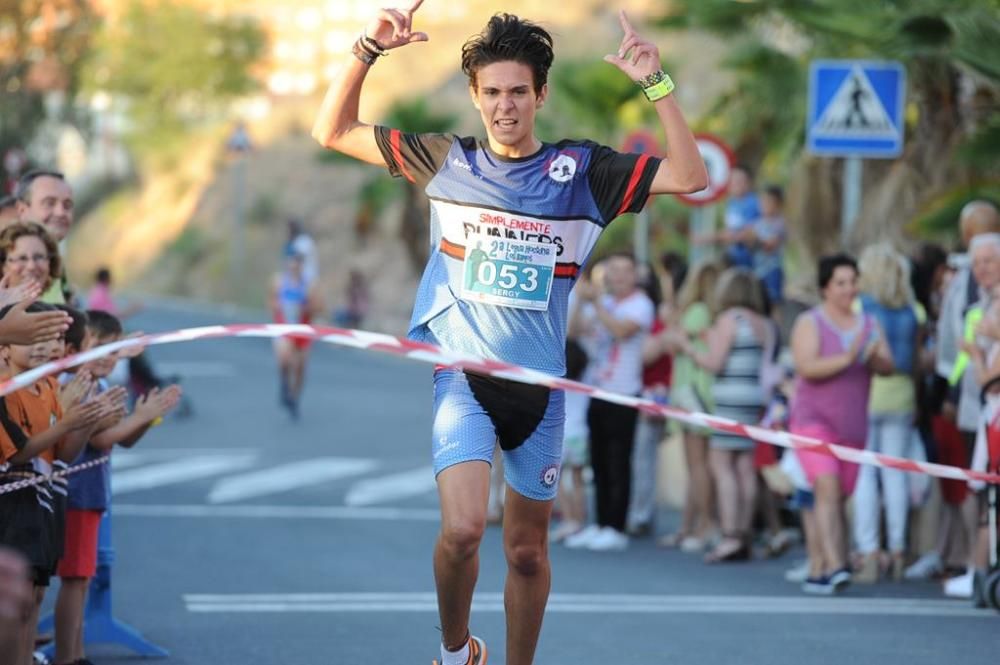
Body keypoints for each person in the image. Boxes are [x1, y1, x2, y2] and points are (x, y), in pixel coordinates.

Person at [312, 4, 706, 663]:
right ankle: (454, 649)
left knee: (526, 551)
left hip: (540, 389)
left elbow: (692, 178)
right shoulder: (446, 160)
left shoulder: (585, 172)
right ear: (475, 96)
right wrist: (367, 49)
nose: (504, 106)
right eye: (491, 93)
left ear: (540, 95)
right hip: (464, 377)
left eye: (518, 92)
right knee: (463, 530)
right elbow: (333, 130)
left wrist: (656, 85)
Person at [53, 310, 179, 665]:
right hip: (75, 494)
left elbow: (119, 442)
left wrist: (146, 417)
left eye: (114, 350)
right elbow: (102, 436)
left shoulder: (102, 386)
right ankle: (68, 656)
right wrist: (139, 418)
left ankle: (76, 653)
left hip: (91, 492)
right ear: (78, 349)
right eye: (101, 349)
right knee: (74, 579)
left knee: (83, 578)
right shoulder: (74, 385)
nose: (109, 358)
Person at [0, 302, 110, 665]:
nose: (44, 347)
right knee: (12, 606)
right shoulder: (6, 389)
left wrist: (85, 420)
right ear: (5, 346)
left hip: (44, 506)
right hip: (14, 507)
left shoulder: (48, 387)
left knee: (31, 600)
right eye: (32, 339)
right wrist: (66, 424)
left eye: (50, 339)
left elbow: (63, 453)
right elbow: (18, 453)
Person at [789, 254, 894, 594]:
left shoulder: (869, 323)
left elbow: (889, 366)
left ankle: (819, 567)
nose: (850, 289)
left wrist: (875, 358)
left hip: (852, 427)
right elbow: (807, 367)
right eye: (841, 283)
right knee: (827, 488)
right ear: (825, 288)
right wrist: (849, 358)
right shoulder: (810, 322)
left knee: (837, 497)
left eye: (853, 281)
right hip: (812, 421)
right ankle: (837, 564)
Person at [928, 202, 1000, 597]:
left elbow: (968, 351)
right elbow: (952, 346)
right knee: (978, 488)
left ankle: (980, 568)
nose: (982, 268)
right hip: (977, 404)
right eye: (979, 260)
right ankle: (977, 566)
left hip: (987, 400)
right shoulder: (973, 289)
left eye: (990, 260)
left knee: (986, 489)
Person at [674, 268, 770, 562]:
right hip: (753, 397)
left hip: (729, 397)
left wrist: (690, 349)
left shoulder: (730, 319)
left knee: (722, 465)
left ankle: (729, 535)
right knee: (744, 467)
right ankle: (744, 533)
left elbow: (715, 363)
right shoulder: (762, 323)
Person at [567, 253, 655, 552]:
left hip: (624, 392)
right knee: (600, 462)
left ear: (635, 275)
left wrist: (595, 304)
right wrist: (581, 300)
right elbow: (575, 330)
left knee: (619, 461)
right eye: (612, 270)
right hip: (598, 390)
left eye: (624, 270)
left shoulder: (640, 304)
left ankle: (617, 525)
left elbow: (621, 331)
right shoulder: (604, 303)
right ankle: (600, 522)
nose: (616, 276)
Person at [852, 244, 923, 583]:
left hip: (868, 394)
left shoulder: (860, 308)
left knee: (866, 471)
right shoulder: (914, 311)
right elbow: (919, 360)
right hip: (903, 394)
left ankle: (868, 549)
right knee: (896, 472)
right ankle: (897, 549)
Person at [655, 260, 720, 551]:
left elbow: (673, 340)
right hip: (700, 391)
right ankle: (689, 526)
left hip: (692, 391)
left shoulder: (697, 312)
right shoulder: (711, 313)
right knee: (699, 464)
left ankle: (704, 525)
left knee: (697, 465)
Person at [626, 264, 672, 537]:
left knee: (644, 459)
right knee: (634, 458)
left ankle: (641, 514)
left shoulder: (658, 323)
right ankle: (636, 510)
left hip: (652, 394)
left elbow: (648, 357)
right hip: (632, 392)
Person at [270, 251, 322, 419]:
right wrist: (277, 306)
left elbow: (319, 307)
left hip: (303, 329)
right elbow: (271, 301)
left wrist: (306, 307)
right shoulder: (278, 281)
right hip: (284, 327)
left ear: (301, 265)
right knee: (283, 358)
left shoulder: (309, 285)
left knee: (300, 368)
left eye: (297, 264)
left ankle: (294, 398)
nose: (293, 267)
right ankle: (284, 385)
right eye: (291, 263)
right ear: (287, 264)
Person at [13, 170, 75, 305]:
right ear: (22, 210)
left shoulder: (55, 264)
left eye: (67, 205)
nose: (61, 213)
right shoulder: (7, 263)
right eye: (49, 203)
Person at [746, 185, 786, 309]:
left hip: (772, 269)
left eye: (769, 202)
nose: (764, 205)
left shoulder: (779, 223)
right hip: (758, 270)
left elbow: (771, 244)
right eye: (763, 201)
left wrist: (755, 239)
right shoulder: (757, 224)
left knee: (774, 303)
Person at [284, 218, 319, 286]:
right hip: (300, 279)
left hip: (308, 276)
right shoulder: (296, 242)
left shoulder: (303, 240)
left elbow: (299, 258)